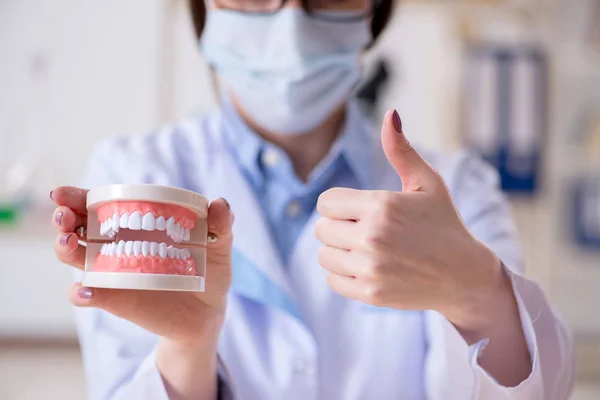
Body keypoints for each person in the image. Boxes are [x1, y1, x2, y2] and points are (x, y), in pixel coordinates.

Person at [50, 0, 574, 399]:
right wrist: (189, 345)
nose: (292, 25)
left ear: (374, 12)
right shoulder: (135, 177)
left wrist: (476, 295)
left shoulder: (458, 187)